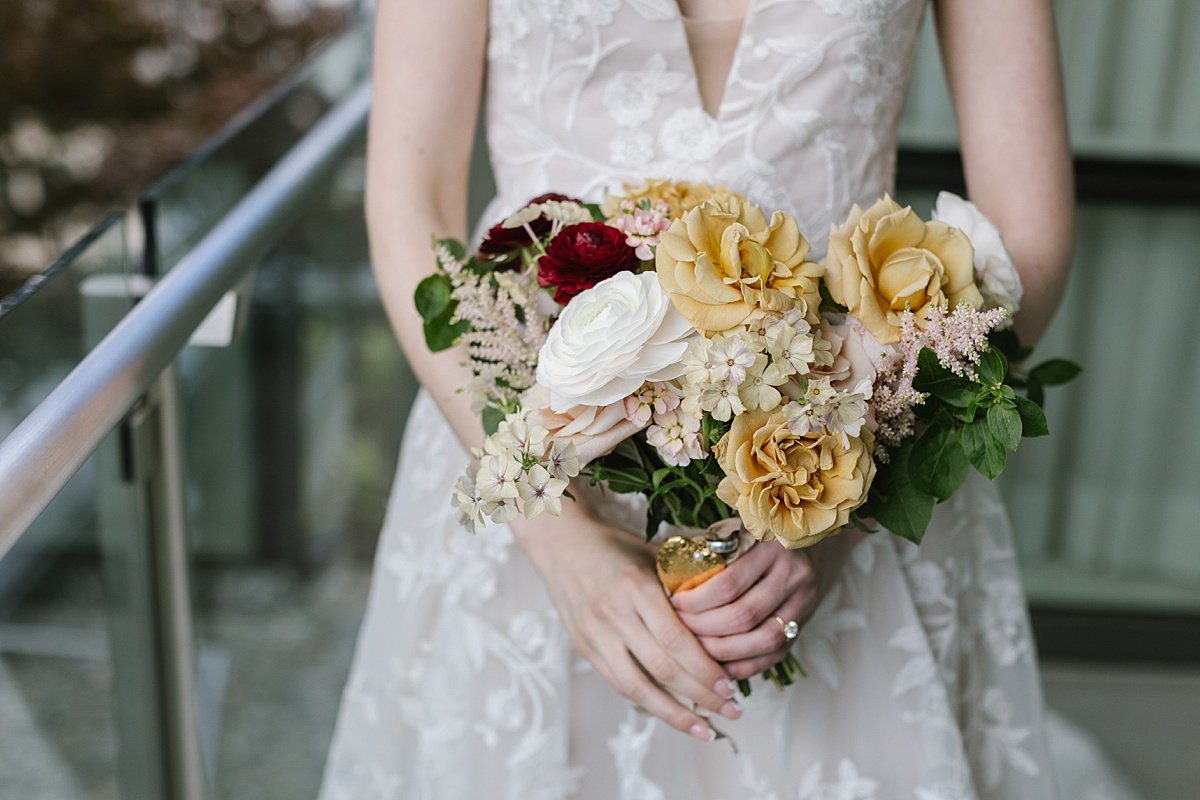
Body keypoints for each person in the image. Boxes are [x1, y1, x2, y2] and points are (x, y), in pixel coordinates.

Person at [321, 1, 1079, 797]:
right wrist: (559, 543)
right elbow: (411, 207)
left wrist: (845, 509)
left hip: (857, 444)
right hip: (532, 462)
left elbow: (1028, 230)